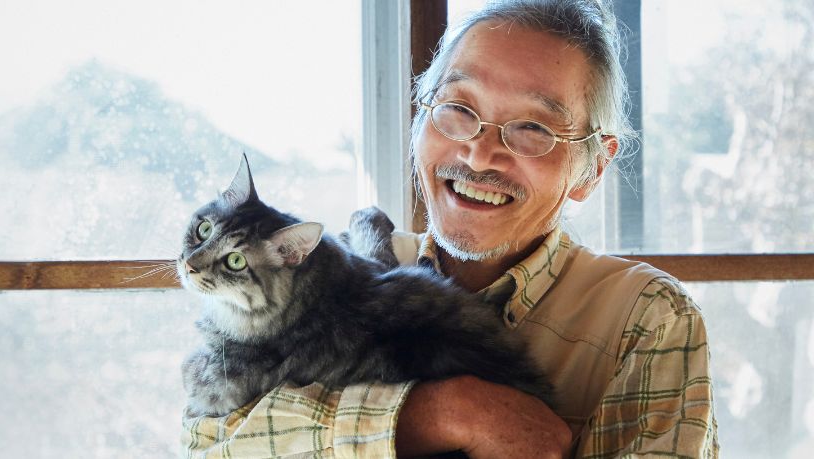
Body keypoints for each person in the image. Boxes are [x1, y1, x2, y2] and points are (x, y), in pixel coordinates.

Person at [181, 0, 719, 457]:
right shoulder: (328, 273)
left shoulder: (646, 319)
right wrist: (437, 414)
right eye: (458, 108)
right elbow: (208, 440)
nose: (480, 151)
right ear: (419, 118)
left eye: (532, 127)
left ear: (593, 169)